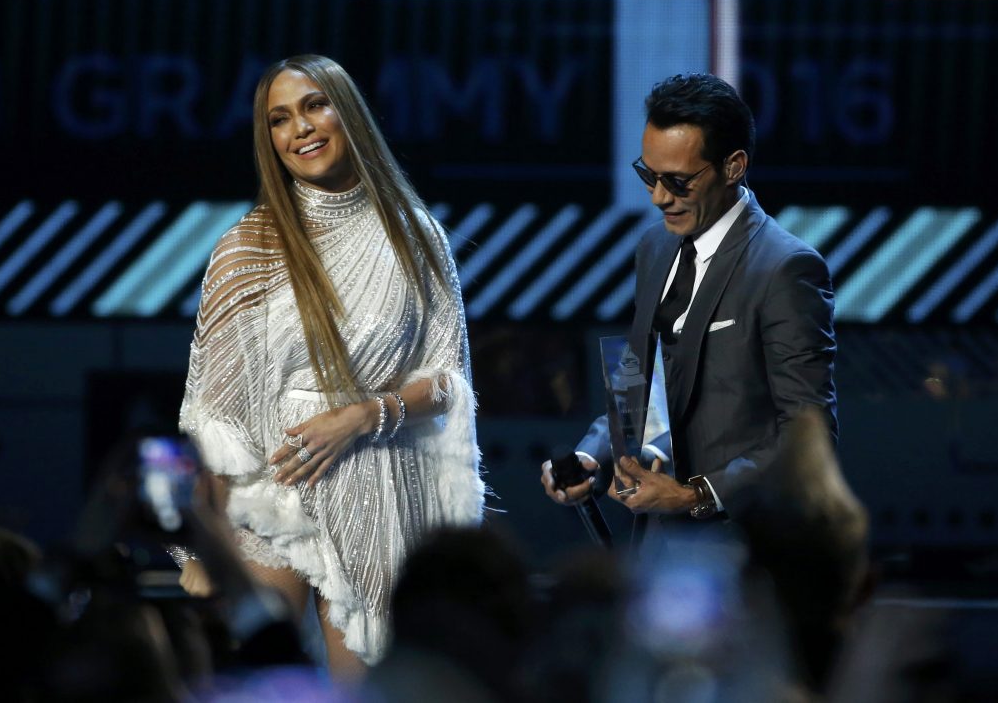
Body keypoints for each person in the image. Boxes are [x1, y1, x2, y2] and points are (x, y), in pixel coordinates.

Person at [177, 54, 485, 676]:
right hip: (272, 488)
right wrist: (201, 545)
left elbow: (448, 380)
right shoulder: (248, 245)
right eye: (280, 119)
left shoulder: (416, 235)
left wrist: (362, 417)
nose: (302, 129)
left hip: (382, 482)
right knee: (254, 681)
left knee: (366, 692)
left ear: (348, 113)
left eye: (315, 105)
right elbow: (211, 407)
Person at [541, 73, 837, 525]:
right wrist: (593, 456)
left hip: (745, 545)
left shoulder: (785, 268)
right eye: (648, 175)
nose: (660, 197)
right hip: (656, 540)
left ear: (734, 166)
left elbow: (808, 435)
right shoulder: (654, 248)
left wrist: (694, 495)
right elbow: (641, 379)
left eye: (678, 182)